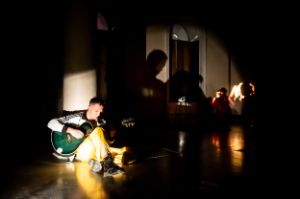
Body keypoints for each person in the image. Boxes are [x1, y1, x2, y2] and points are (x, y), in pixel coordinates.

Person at [47, 97, 125, 177]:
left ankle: (100, 166)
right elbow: (51, 123)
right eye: (96, 111)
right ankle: (106, 165)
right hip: (77, 152)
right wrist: (71, 131)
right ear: (89, 107)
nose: (98, 114)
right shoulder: (77, 117)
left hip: (92, 151)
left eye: (100, 112)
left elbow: (104, 143)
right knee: (99, 132)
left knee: (119, 150)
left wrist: (111, 136)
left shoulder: (100, 122)